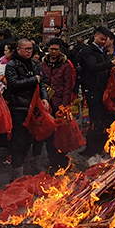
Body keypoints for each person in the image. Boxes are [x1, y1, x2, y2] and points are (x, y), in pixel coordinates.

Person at [4, 37, 49, 179]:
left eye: (31, 48)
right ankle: (17, 171)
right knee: (18, 140)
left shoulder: (35, 64)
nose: (30, 51)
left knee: (30, 139)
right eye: (27, 49)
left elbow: (41, 84)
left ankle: (24, 167)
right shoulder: (12, 65)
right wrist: (32, 80)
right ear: (19, 49)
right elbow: (13, 84)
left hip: (33, 107)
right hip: (18, 107)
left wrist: (45, 98)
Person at [78, 26, 115, 159]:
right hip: (92, 90)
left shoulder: (102, 52)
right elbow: (93, 67)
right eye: (101, 39)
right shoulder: (87, 50)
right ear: (95, 36)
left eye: (105, 40)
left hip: (103, 89)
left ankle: (102, 147)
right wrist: (110, 64)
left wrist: (111, 70)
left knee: (103, 119)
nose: (103, 42)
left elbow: (103, 70)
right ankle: (92, 149)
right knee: (95, 120)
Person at [41, 37, 75, 170]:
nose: (54, 52)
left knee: (61, 133)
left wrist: (65, 104)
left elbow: (68, 86)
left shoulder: (66, 65)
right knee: (49, 133)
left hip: (60, 103)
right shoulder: (42, 64)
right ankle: (51, 160)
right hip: (46, 104)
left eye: (56, 49)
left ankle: (62, 158)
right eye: (51, 49)